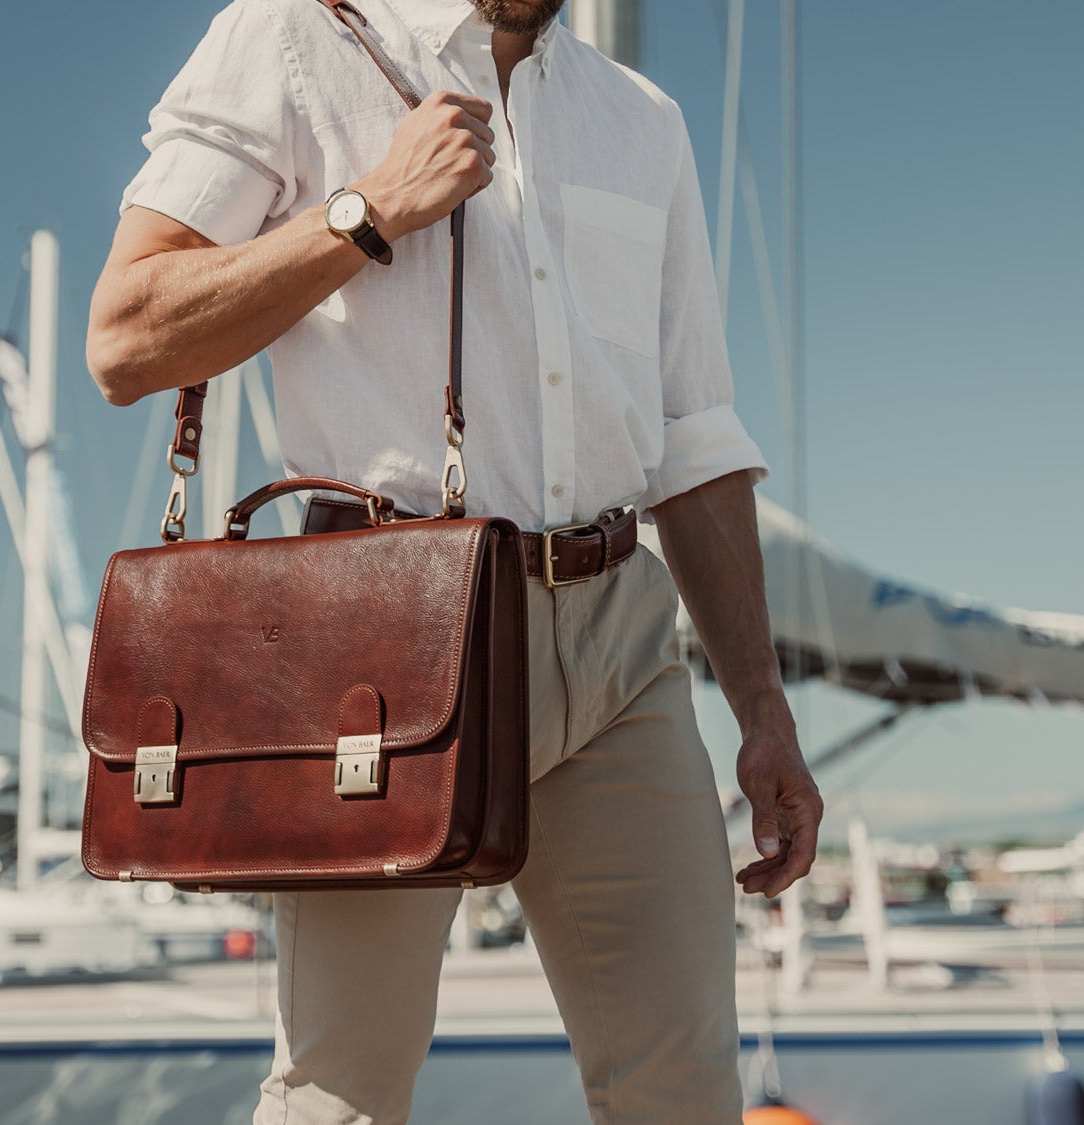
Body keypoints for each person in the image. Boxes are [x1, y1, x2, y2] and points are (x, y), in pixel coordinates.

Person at [88, 0, 823, 1120]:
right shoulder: (289, 37)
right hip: (383, 651)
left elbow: (691, 436)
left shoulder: (641, 118)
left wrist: (762, 711)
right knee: (342, 1092)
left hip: (621, 643)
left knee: (682, 1093)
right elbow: (126, 337)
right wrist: (368, 209)